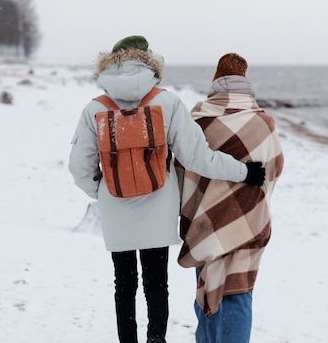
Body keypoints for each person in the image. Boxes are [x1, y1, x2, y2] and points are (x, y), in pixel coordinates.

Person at [68, 37, 266, 343]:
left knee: (124, 282)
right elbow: (199, 158)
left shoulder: (94, 109)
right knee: (156, 282)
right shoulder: (166, 102)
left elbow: (79, 168)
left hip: (115, 209)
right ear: (148, 61)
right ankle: (156, 339)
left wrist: (104, 193)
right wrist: (245, 172)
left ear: (112, 63)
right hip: (158, 207)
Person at [177, 53, 284, 343]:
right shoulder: (264, 123)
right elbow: (275, 167)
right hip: (249, 221)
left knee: (207, 288)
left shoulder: (199, 120)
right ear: (246, 83)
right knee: (238, 293)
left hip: (205, 221)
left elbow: (184, 167)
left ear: (215, 81)